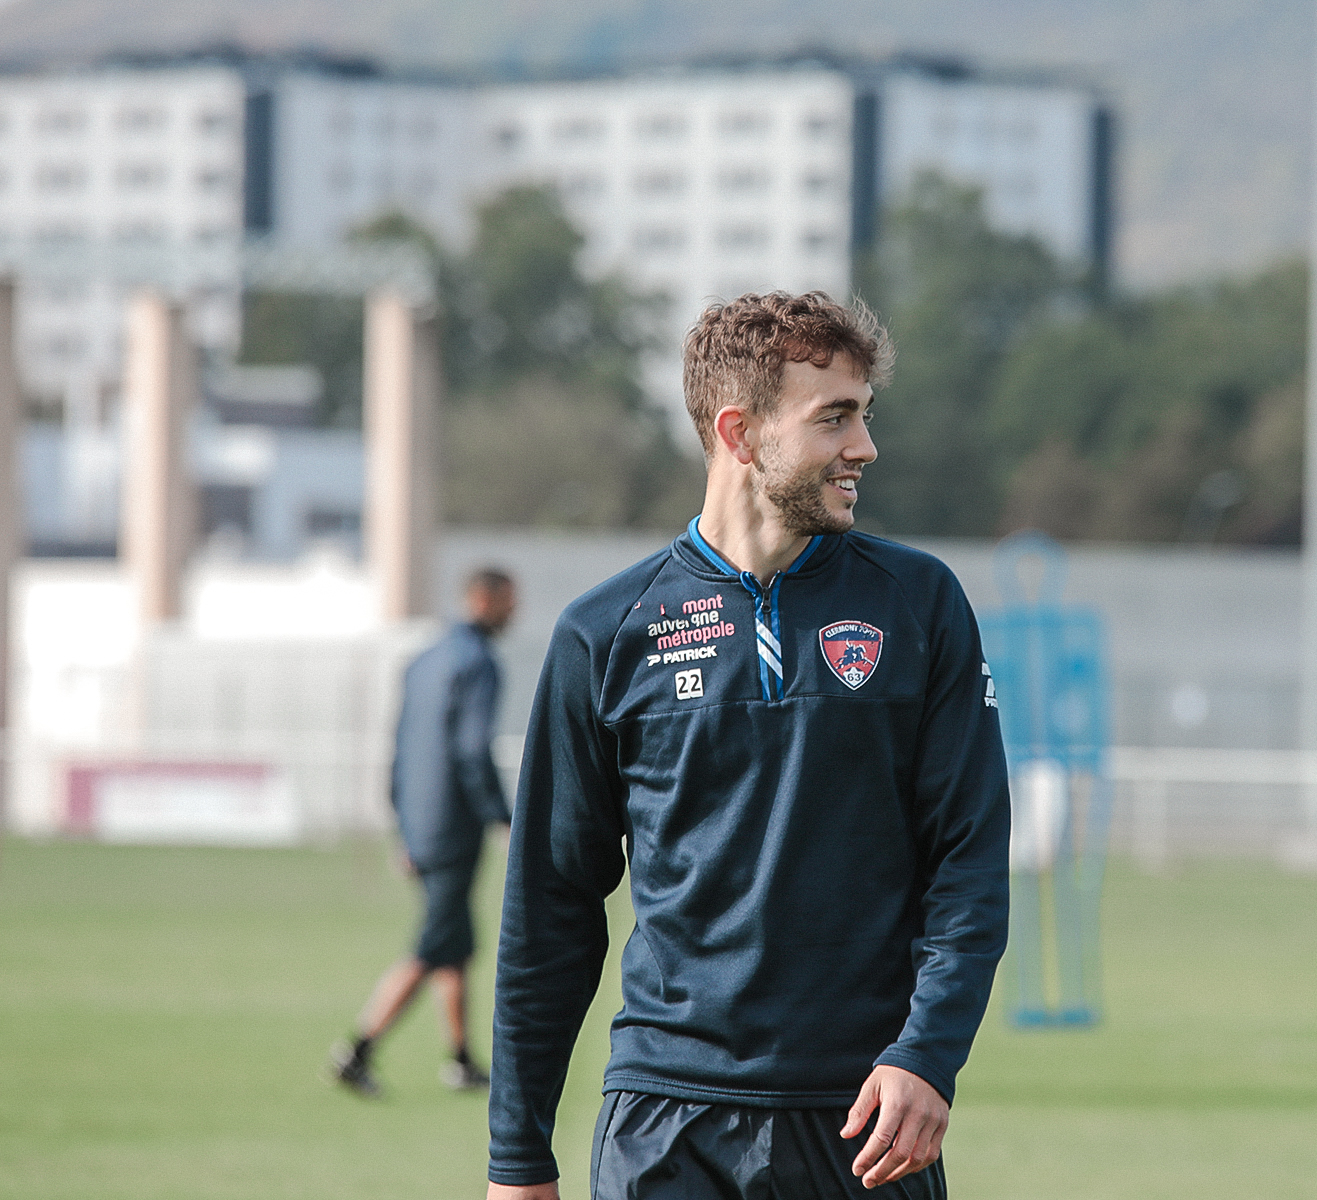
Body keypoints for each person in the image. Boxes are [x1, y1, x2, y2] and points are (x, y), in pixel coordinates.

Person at [487, 291, 1010, 1199]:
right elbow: (551, 911)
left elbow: (968, 862)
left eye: (865, 416)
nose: (865, 448)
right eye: (834, 419)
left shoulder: (920, 604)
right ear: (739, 433)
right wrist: (517, 1157)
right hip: (665, 1123)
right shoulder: (605, 634)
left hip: (865, 1122)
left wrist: (928, 1056)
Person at [329, 567, 518, 1098]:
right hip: (453, 828)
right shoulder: (478, 663)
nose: (514, 613)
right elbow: (471, 750)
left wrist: (402, 827)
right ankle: (357, 1050)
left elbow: (399, 749)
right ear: (485, 600)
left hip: (420, 826)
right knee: (435, 943)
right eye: (509, 601)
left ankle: (460, 1060)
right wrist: (501, 816)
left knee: (454, 940)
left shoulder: (423, 660)